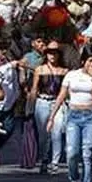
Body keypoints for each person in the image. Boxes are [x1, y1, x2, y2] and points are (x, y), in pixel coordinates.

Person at [49, 46, 92, 182]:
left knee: (87, 152)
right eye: (90, 61)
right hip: (73, 115)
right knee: (72, 152)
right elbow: (61, 96)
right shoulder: (72, 75)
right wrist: (51, 117)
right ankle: (74, 179)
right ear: (83, 61)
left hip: (90, 116)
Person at [31, 41, 69, 173]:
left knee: (57, 132)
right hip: (42, 101)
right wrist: (30, 106)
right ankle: (43, 159)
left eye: (55, 53)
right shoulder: (40, 70)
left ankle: (55, 162)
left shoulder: (64, 71)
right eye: (50, 53)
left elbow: (66, 91)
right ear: (46, 54)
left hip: (58, 102)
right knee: (43, 134)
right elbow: (34, 89)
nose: (52, 56)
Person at [0, 38, 21, 168]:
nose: (3, 51)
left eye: (5, 48)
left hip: (9, 102)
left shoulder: (7, 62)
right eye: (0, 49)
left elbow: (13, 81)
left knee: (9, 129)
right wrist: (8, 66)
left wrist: (17, 94)